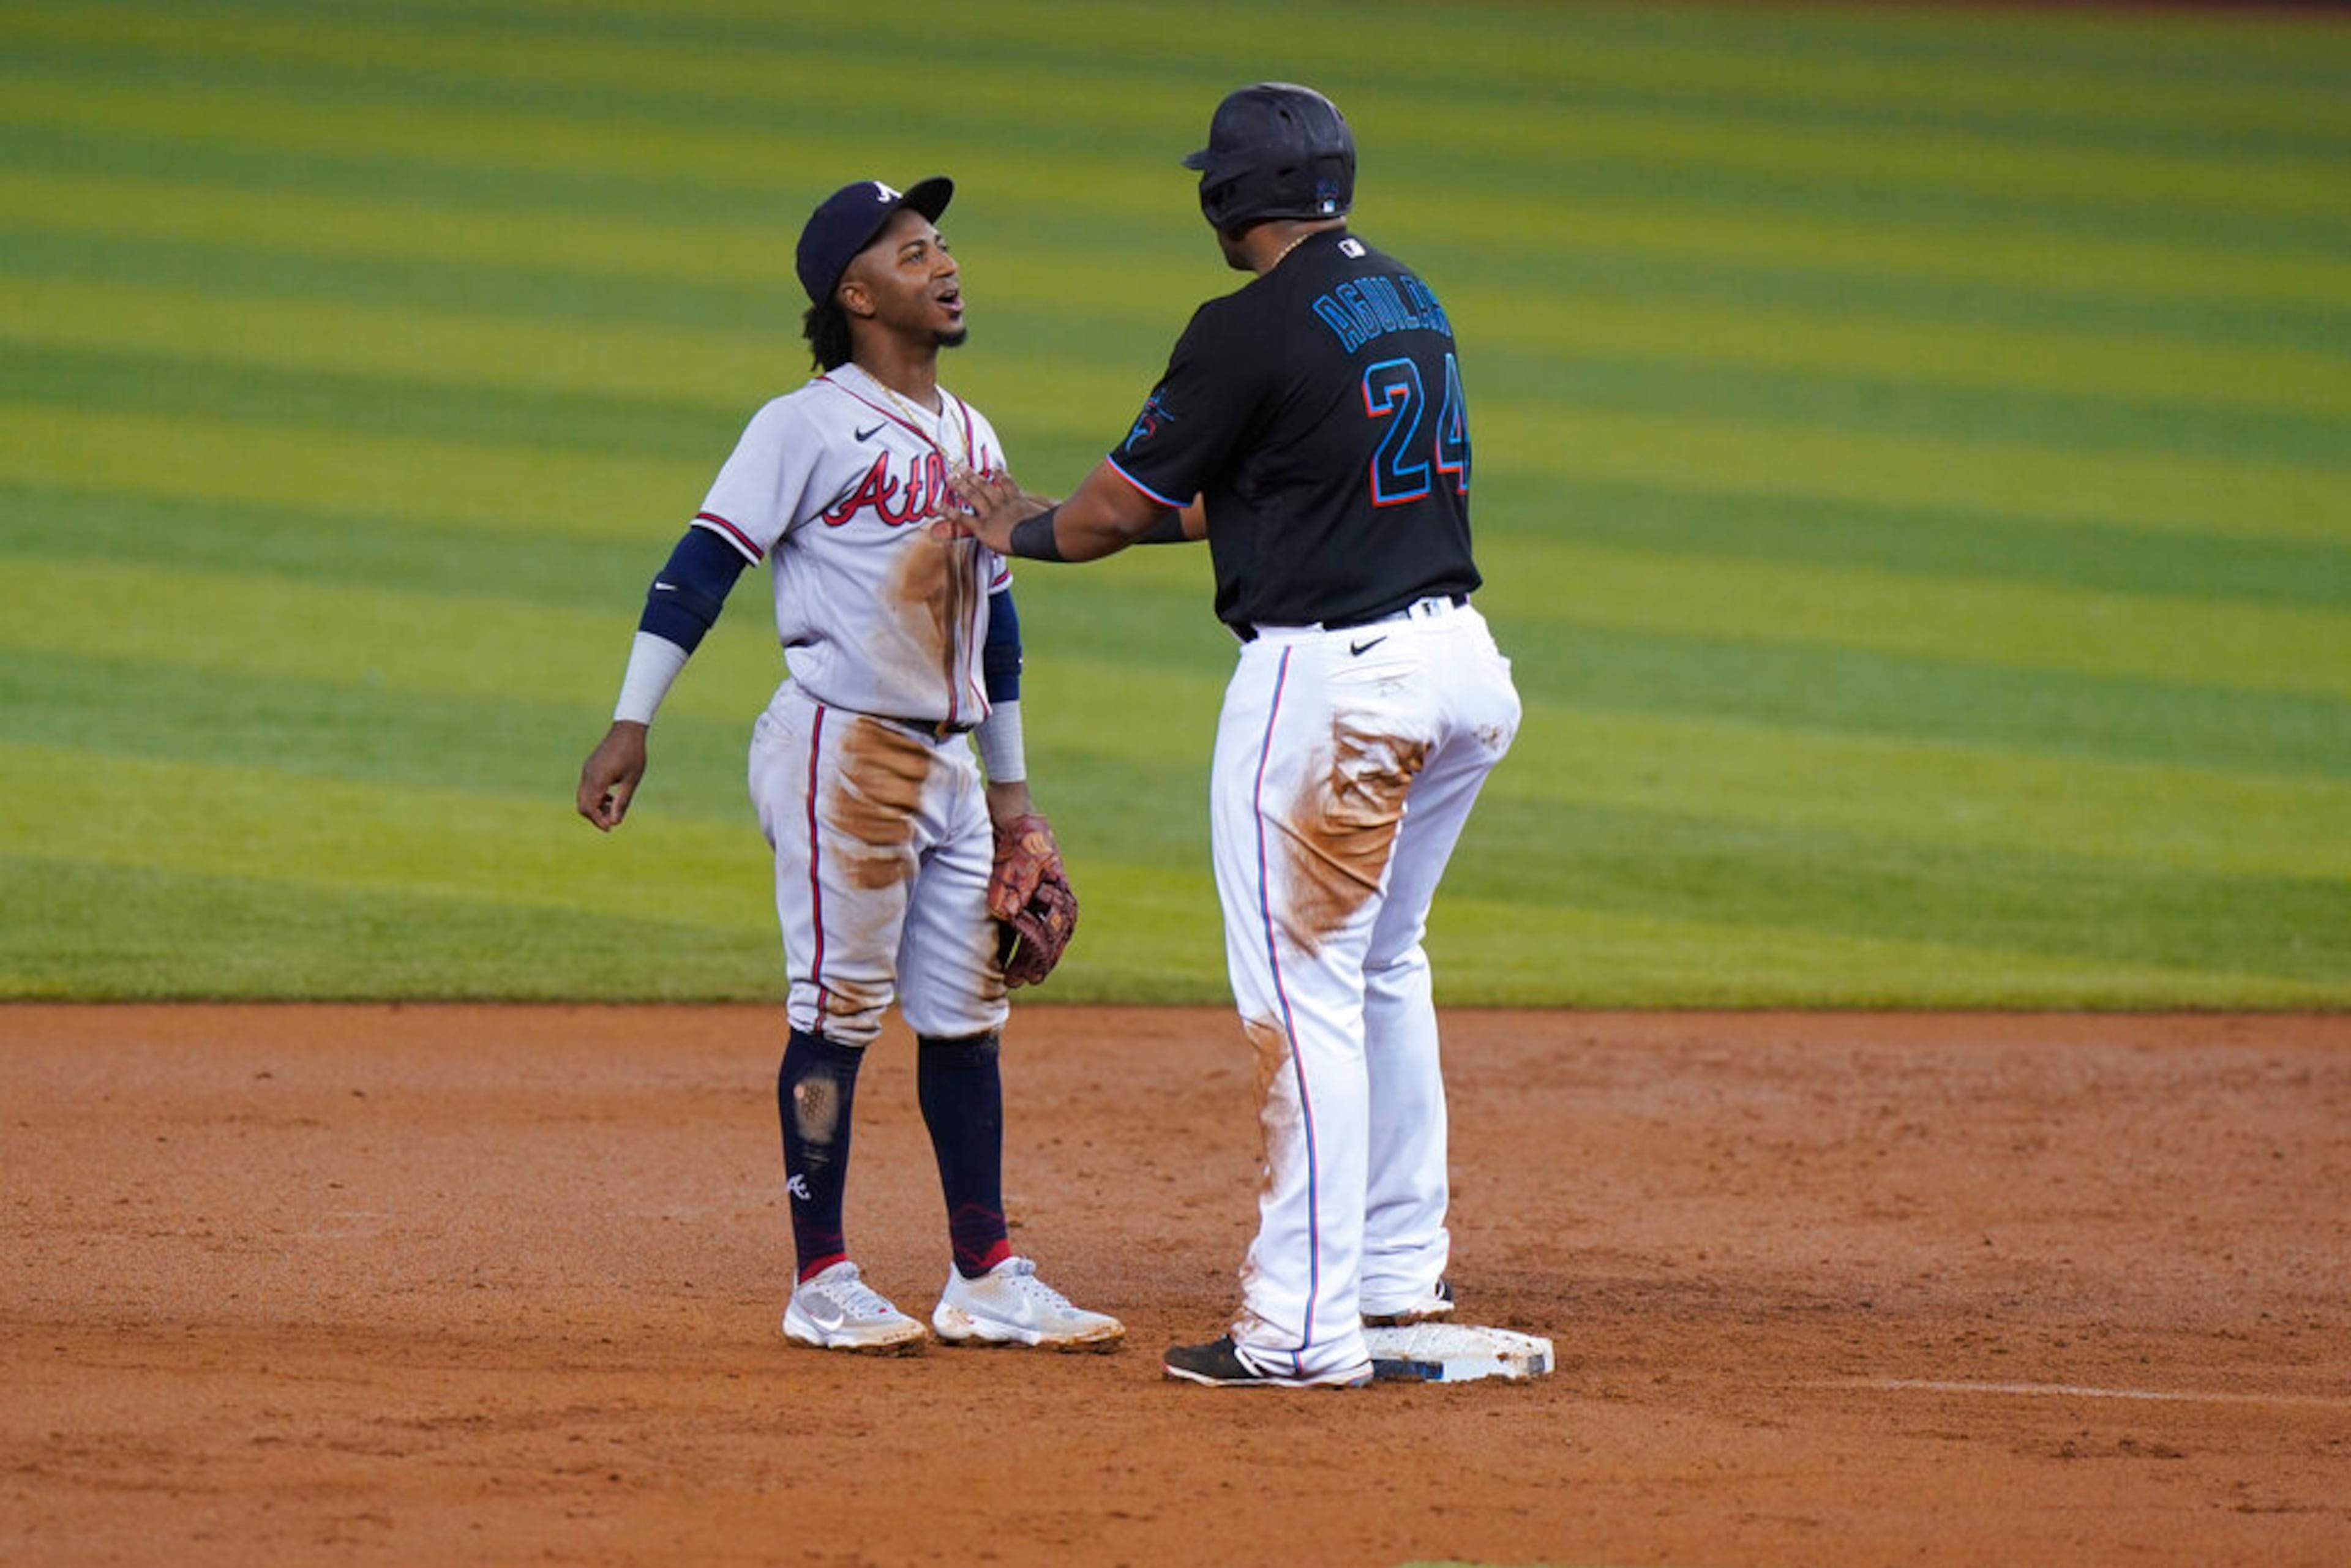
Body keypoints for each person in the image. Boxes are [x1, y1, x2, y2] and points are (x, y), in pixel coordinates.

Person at [936, 84, 1520, 1387]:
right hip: (1461, 671)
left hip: (1336, 689)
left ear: (1228, 200)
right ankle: (1391, 1274)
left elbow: (1100, 516)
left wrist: (1017, 528)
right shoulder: (1406, 297)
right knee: (1382, 962)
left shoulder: (1243, 325)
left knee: (1303, 991)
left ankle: (1301, 1333)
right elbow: (1262, 487)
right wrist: (1081, 510)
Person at [576, 175, 1123, 1356]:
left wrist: (1016, 793)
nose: (945, 264)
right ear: (858, 292)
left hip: (950, 767)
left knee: (971, 1012)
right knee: (837, 1008)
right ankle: (820, 1275)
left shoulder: (973, 431)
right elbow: (699, 568)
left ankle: (983, 1272)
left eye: (943, 246)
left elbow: (1000, 622)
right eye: (917, 252)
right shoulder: (803, 426)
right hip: (842, 748)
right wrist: (634, 719)